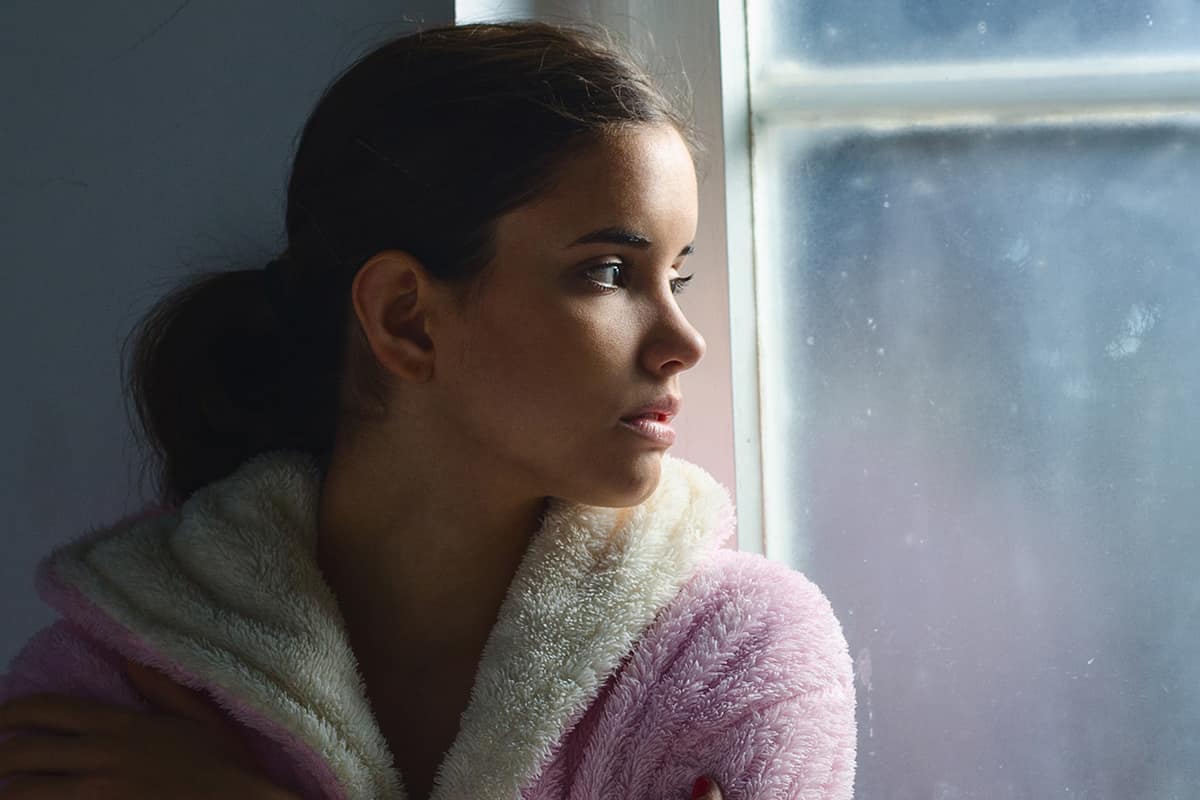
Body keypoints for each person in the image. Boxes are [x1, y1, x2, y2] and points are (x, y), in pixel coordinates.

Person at [0, 19, 856, 800]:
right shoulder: (107, 689)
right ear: (407, 317)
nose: (682, 342)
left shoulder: (740, 660)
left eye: (678, 278)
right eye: (608, 272)